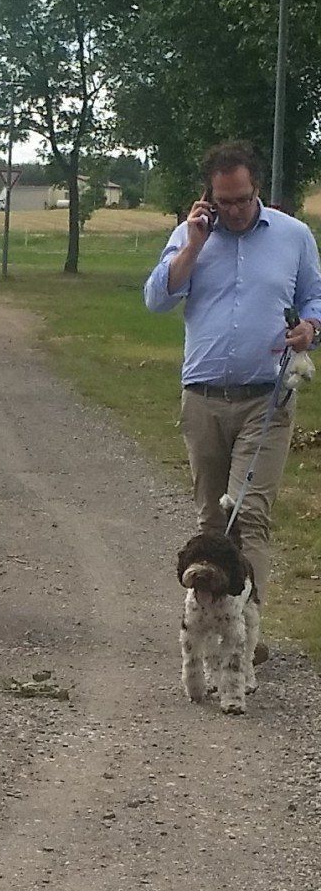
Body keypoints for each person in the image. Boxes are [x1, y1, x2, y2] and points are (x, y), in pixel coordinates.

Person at [143, 139, 321, 627]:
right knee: (211, 521)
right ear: (208, 197)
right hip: (203, 398)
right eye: (225, 202)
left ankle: (248, 633)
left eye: (243, 199)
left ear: (256, 188)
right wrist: (194, 244)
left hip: (267, 398)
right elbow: (156, 299)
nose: (236, 210)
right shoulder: (190, 235)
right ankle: (207, 625)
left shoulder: (294, 235)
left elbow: (315, 299)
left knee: (251, 518)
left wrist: (310, 329)